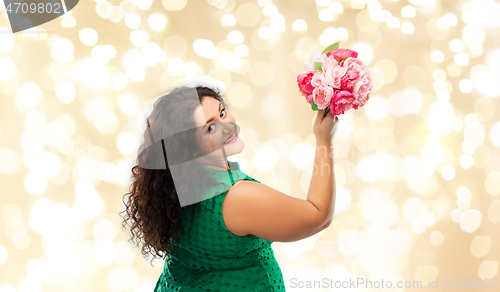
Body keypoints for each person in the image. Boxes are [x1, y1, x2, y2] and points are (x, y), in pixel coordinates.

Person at [121, 85, 339, 291]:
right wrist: (324, 139)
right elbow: (319, 215)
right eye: (211, 127)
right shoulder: (236, 198)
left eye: (222, 112)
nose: (228, 126)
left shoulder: (173, 186)